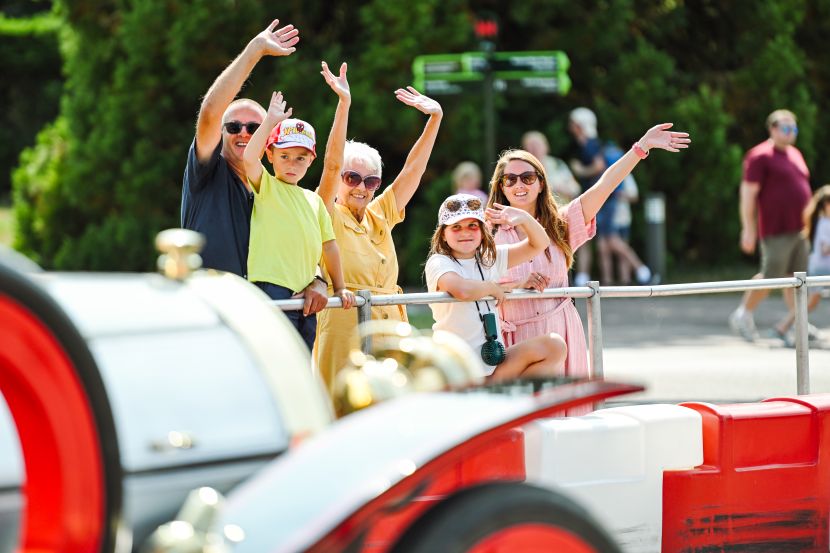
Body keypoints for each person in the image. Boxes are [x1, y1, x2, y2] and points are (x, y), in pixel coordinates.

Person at [488, 124, 690, 385]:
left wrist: (641, 147)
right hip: (514, 343)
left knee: (564, 420)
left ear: (540, 184)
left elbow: (604, 187)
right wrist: (518, 285)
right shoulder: (486, 232)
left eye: (527, 177)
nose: (519, 184)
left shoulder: (560, 225)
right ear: (501, 187)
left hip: (560, 331)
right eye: (510, 179)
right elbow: (470, 285)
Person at [180, 19, 329, 314]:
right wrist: (255, 50)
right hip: (210, 311)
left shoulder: (279, 190)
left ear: (269, 137)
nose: (244, 133)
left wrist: (318, 279)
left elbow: (304, 246)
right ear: (221, 132)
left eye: (253, 126)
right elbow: (210, 113)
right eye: (233, 126)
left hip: (263, 318)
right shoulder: (208, 171)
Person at [313, 61, 443, 391]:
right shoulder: (325, 210)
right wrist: (344, 104)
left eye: (370, 181)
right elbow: (329, 166)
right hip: (344, 322)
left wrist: (435, 119)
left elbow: (413, 170)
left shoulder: (379, 212)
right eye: (352, 177)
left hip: (389, 323)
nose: (361, 187)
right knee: (341, 405)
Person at [242, 90, 355, 351]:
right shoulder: (266, 186)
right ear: (270, 155)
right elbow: (249, 158)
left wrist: (339, 288)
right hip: (271, 287)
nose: (292, 164)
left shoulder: (313, 200)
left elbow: (329, 246)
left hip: (305, 293)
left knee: (303, 357)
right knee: (277, 357)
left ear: (311, 160)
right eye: (284, 156)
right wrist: (269, 121)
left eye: (300, 158)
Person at [425, 194, 568, 380]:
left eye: (472, 226)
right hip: (457, 369)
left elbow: (539, 244)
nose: (465, 232)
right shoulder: (439, 261)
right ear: (443, 234)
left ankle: (516, 403)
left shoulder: (489, 258)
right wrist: (493, 288)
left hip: (492, 365)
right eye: (456, 227)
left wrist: (523, 217)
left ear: (482, 231)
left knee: (554, 346)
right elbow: (462, 290)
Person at [729, 109, 813, 342]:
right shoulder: (759, 156)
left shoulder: (795, 154)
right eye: (785, 128)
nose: (790, 133)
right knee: (771, 275)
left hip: (801, 229)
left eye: (793, 128)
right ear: (772, 129)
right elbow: (748, 194)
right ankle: (743, 315)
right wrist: (748, 228)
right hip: (776, 228)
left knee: (798, 278)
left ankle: (797, 323)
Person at [568, 109, 651, 285]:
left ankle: (642, 270)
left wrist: (580, 170)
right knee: (602, 244)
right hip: (604, 199)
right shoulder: (594, 144)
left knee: (610, 240)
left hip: (603, 199)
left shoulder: (590, 145)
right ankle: (608, 281)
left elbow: (598, 167)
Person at [768, 185, 830, 346]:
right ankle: (783, 327)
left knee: (810, 303)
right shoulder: (825, 224)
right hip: (823, 269)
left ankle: (784, 327)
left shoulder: (822, 222)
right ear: (826, 205)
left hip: (821, 268)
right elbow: (825, 249)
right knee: (809, 303)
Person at [521, 130, 580, 204]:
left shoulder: (557, 164)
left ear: (546, 146)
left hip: (562, 209)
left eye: (537, 145)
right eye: (531, 146)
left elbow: (576, 188)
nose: (535, 149)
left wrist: (564, 188)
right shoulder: (522, 170)